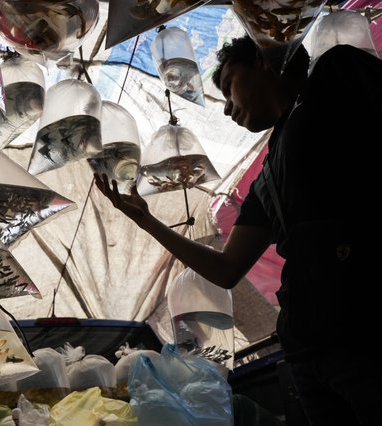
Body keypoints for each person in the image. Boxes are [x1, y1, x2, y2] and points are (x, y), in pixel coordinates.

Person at [95, 35, 382, 425]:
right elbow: (227, 269)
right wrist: (146, 220)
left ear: (263, 61)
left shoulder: (334, 78)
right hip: (308, 348)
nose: (228, 108)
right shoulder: (266, 178)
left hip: (363, 331)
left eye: (229, 86)